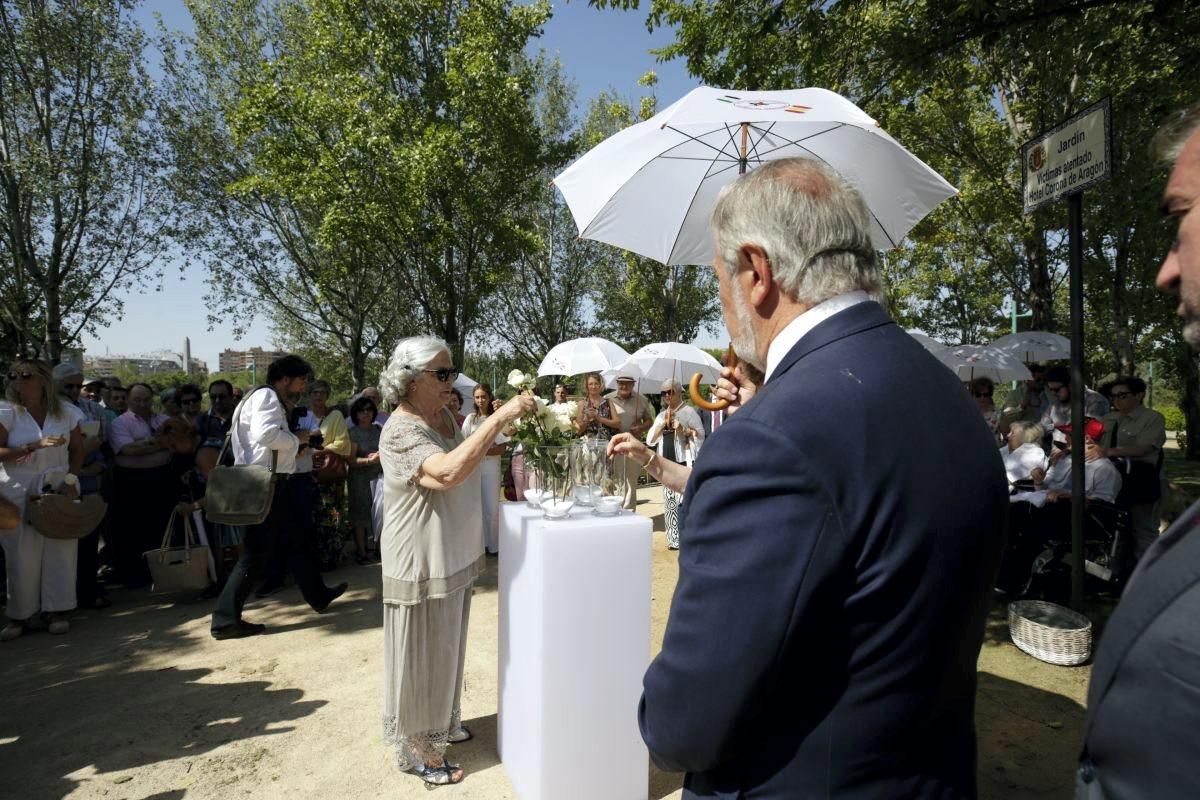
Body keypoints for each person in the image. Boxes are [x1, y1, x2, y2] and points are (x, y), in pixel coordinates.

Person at [634, 158, 1007, 798]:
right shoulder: (946, 392)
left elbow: (680, 728)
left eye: (719, 281)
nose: (723, 306)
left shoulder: (772, 439)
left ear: (757, 273)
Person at [1078, 104, 1200, 799]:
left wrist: (1119, 450)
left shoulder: (1151, 419)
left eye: (1181, 215)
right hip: (1120, 477)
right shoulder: (1120, 422)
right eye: (1117, 397)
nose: (1164, 272)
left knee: (1135, 531)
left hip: (1141, 483)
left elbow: (1137, 452)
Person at [377, 335, 535, 786]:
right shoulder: (401, 429)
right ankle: (421, 751)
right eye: (442, 374)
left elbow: (468, 455)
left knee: (447, 645)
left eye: (451, 372)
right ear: (410, 380)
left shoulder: (443, 414)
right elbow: (446, 472)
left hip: (451, 552)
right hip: (420, 558)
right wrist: (499, 417)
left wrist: (506, 429)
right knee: (421, 652)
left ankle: (441, 724)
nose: (452, 381)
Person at [209, 355, 347, 640]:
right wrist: (299, 439)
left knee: (296, 540)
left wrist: (293, 445)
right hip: (266, 483)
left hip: (272, 482)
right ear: (285, 378)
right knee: (257, 552)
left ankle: (317, 595)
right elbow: (266, 435)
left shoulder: (261, 397)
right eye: (301, 380)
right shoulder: (267, 397)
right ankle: (224, 620)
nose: (303, 386)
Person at [0, 359, 85, 640]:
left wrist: (71, 481)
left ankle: (56, 610)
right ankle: (20, 615)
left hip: (59, 483)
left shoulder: (66, 412)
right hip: (18, 486)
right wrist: (33, 446)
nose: (19, 380)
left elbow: (78, 450)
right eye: (13, 375)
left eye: (26, 375)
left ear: (43, 380)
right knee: (20, 553)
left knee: (60, 548)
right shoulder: (7, 411)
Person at [53, 363, 110, 610]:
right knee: (62, 546)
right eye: (69, 386)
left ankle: (87, 591)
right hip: (57, 483)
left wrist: (95, 462)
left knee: (88, 543)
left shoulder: (92, 409)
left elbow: (100, 443)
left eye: (79, 385)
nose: (75, 390)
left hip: (87, 482)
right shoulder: (46, 411)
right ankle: (61, 600)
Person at [108, 383, 175, 588]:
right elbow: (128, 450)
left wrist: (145, 444)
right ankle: (136, 577)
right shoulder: (119, 423)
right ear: (128, 399)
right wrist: (161, 443)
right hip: (131, 481)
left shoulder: (164, 420)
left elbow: (180, 442)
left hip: (162, 478)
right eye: (137, 399)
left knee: (161, 526)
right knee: (133, 530)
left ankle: (163, 573)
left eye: (146, 399)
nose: (142, 404)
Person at [1092, 376, 1166, 561]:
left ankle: (1146, 576)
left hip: (1142, 479)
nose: (1116, 400)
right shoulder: (1107, 418)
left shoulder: (1152, 418)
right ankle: (1116, 575)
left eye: (1122, 395)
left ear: (1139, 395)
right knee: (1114, 530)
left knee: (1143, 530)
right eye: (1113, 396)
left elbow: (1144, 448)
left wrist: (1108, 451)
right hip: (1111, 479)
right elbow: (1094, 443)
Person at [646, 379, 705, 550]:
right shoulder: (661, 415)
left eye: (670, 392)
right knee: (669, 502)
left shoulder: (689, 412)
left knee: (684, 502)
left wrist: (683, 430)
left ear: (679, 392)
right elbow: (650, 440)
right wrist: (663, 424)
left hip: (683, 462)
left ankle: (688, 535)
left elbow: (700, 436)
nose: (666, 396)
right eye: (663, 393)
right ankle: (673, 540)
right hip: (665, 463)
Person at [308, 380, 352, 570]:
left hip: (329, 475)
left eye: (322, 393)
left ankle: (333, 555)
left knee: (333, 515)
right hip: (307, 473)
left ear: (327, 395)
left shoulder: (335, 416)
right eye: (315, 392)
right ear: (309, 395)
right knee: (313, 516)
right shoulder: (304, 416)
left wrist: (319, 451)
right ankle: (316, 557)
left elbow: (343, 444)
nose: (318, 396)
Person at [460, 383, 507, 555]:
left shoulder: (495, 418)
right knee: (474, 508)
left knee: (491, 509)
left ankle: (494, 546)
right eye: (477, 397)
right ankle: (478, 546)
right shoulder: (470, 419)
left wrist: (483, 451)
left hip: (490, 468)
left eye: (484, 396)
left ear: (489, 398)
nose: (481, 400)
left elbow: (503, 447)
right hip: (472, 468)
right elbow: (463, 444)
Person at [604, 375, 654, 509]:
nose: (624, 387)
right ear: (617, 384)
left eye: (628, 384)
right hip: (613, 445)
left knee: (631, 481)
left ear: (633, 385)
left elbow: (649, 421)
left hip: (633, 445)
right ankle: (614, 511)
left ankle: (629, 514)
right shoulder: (608, 399)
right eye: (621, 383)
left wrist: (641, 427)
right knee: (614, 479)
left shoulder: (642, 400)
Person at [347, 395, 382, 564]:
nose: (366, 413)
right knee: (360, 517)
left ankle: (378, 549)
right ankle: (361, 552)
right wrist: (369, 460)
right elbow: (350, 461)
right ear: (356, 413)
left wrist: (380, 456)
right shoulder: (352, 433)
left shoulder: (378, 430)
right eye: (361, 410)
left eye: (369, 409)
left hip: (378, 478)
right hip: (359, 479)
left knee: (379, 513)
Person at [1039, 365, 1109, 433]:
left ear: (1071, 384)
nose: (1053, 393)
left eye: (1056, 389)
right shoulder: (1056, 402)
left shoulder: (1095, 401)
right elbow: (1043, 426)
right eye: (1051, 389)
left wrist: (1056, 427)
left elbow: (1089, 430)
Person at [1000, 363, 1050, 434]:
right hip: (1028, 437)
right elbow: (1007, 418)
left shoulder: (1049, 391)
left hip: (1049, 435)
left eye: (1044, 380)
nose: (1042, 382)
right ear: (1029, 378)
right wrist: (1022, 407)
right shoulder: (1015, 394)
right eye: (1038, 380)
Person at [574, 373, 620, 439]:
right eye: (590, 384)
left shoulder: (608, 402)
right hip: (587, 443)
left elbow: (617, 423)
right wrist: (587, 419)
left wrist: (599, 418)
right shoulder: (582, 403)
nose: (593, 386)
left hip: (606, 442)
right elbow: (578, 430)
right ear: (586, 386)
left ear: (601, 385)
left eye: (596, 383)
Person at [1003, 421, 1048, 486]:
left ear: (1024, 438)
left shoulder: (1034, 453)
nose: (1008, 435)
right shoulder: (1010, 448)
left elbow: (1004, 478)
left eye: (1012, 433)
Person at [970, 376, 1003, 445]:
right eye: (978, 395)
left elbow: (1007, 437)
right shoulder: (966, 413)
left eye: (986, 395)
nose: (982, 398)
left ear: (990, 395)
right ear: (972, 395)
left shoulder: (998, 413)